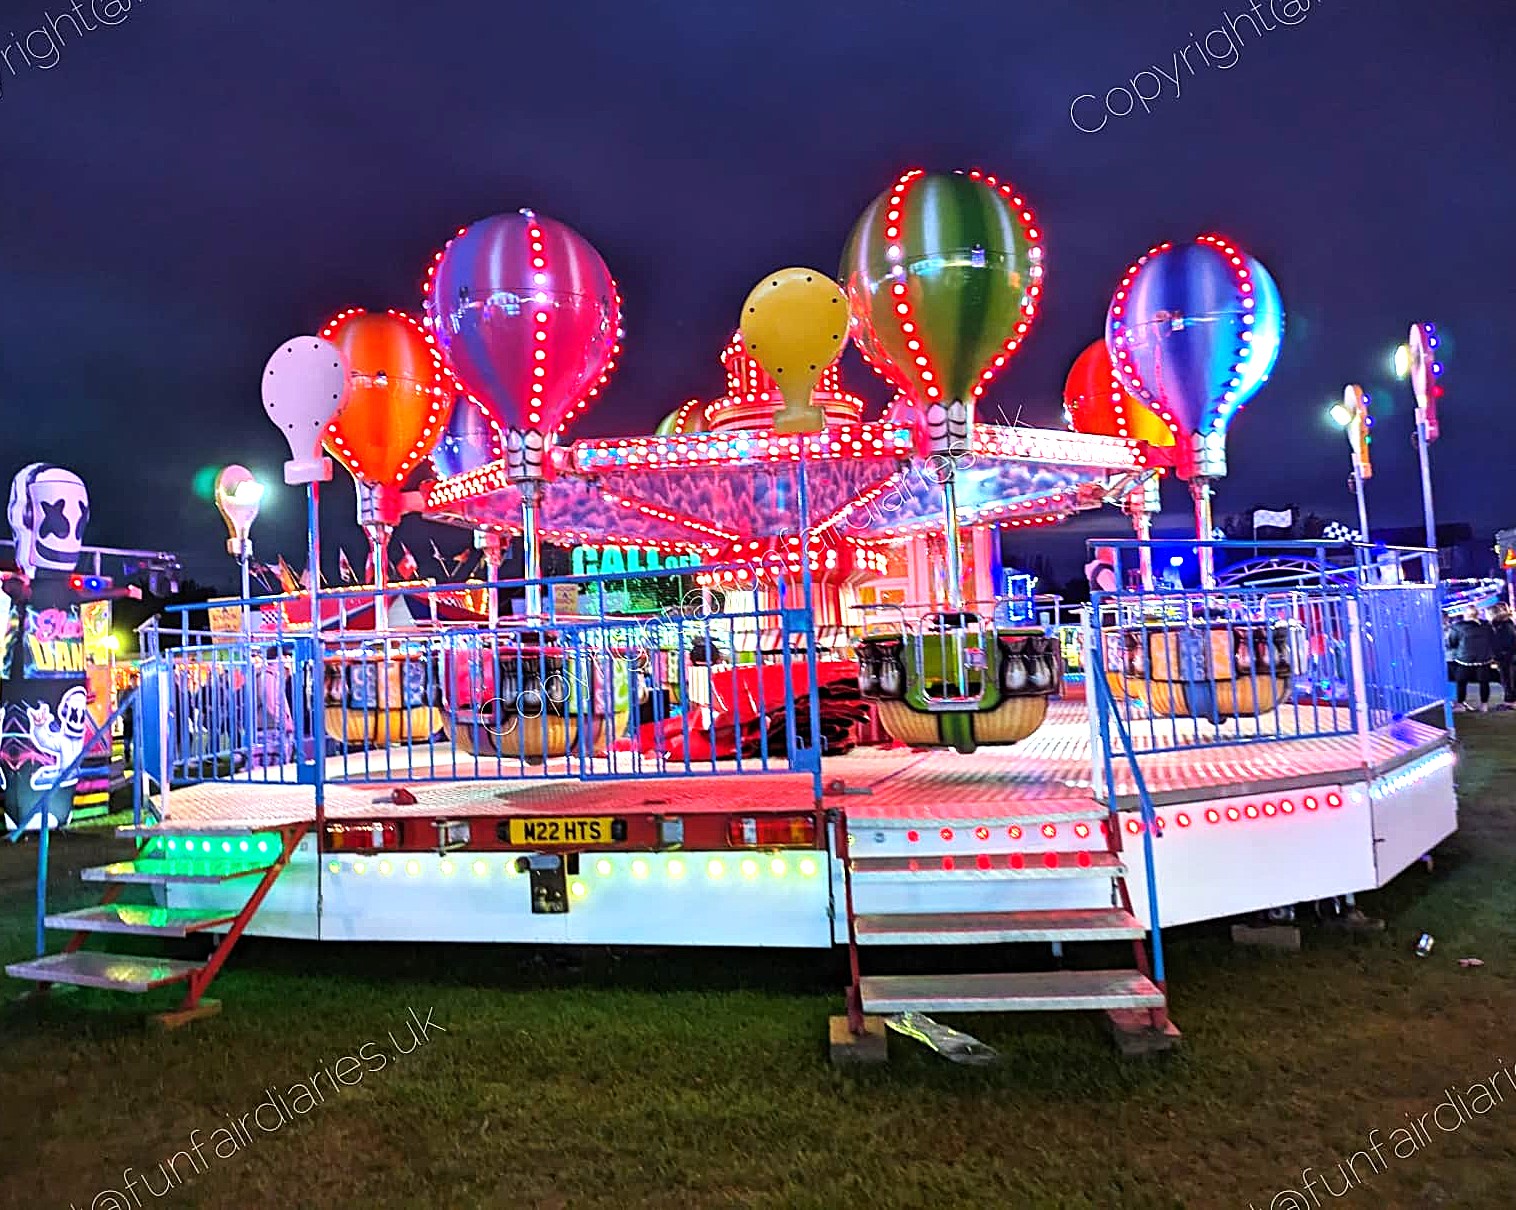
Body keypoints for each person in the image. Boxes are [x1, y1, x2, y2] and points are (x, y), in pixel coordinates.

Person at [1446, 607, 1496, 712]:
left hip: (1464, 658)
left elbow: (1452, 642)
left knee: (1461, 682)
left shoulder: (1458, 627)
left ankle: (1460, 704)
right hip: (1483, 658)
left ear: (1466, 614)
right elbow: (1492, 639)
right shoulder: (1487, 625)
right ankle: (1484, 705)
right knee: (1484, 682)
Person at [1491, 603, 1516, 710]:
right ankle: (1510, 700)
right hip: (1507, 656)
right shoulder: (1507, 624)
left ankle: (1511, 701)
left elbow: (1505, 643)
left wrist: (1499, 654)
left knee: (1508, 678)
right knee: (1507, 679)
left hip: (1507, 657)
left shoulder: (1504, 626)